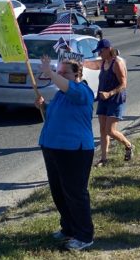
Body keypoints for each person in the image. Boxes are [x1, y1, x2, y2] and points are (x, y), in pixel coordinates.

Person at [35, 56, 95, 251]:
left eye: (64, 73)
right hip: (53, 147)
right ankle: (68, 228)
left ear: (77, 74)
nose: (60, 76)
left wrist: (50, 72)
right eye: (59, 72)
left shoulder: (82, 91)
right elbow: (52, 115)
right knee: (59, 192)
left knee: (75, 194)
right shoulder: (61, 94)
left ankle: (84, 235)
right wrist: (43, 107)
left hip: (74, 150)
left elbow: (69, 89)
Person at [83, 39, 133, 166]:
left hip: (115, 100)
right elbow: (91, 64)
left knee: (110, 130)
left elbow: (123, 84)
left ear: (107, 49)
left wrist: (109, 93)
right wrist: (72, 54)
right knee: (103, 130)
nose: (99, 54)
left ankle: (128, 145)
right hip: (103, 100)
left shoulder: (117, 63)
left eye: (100, 51)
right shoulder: (104, 61)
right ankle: (104, 159)